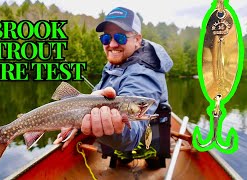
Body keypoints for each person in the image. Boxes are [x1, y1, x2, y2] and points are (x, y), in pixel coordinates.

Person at [54, 7, 173, 154]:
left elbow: (133, 134)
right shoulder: (115, 64)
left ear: (137, 40)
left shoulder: (144, 73)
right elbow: (96, 94)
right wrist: (75, 120)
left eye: (120, 37)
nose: (112, 44)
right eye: (106, 38)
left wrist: (118, 128)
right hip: (116, 149)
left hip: (148, 149)